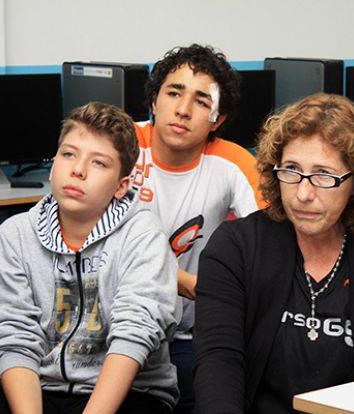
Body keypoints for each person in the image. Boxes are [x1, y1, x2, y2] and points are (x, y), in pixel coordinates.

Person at [193, 93, 354, 413]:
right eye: (291, 170)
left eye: (324, 176)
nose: (302, 193)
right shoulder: (236, 247)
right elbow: (219, 364)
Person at [0, 102, 179, 413]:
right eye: (68, 154)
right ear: (54, 162)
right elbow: (16, 336)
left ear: (121, 186)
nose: (78, 170)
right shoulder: (15, 235)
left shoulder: (143, 235)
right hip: (40, 386)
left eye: (99, 163)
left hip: (129, 392)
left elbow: (134, 334)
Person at [132, 44, 264, 412]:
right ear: (154, 101)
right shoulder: (121, 143)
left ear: (217, 119)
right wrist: (183, 281)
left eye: (202, 101)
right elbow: (85, 234)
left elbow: (274, 240)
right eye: (174, 93)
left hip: (189, 337)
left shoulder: (233, 162)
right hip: (114, 328)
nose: (183, 109)